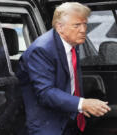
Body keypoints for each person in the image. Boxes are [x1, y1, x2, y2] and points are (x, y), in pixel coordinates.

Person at [16, 2, 111, 135]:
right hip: (47, 124)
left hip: (68, 118)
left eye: (85, 24)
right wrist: (82, 103)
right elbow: (45, 93)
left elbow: (72, 80)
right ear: (60, 27)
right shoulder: (41, 50)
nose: (83, 30)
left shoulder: (72, 42)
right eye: (77, 25)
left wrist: (78, 107)